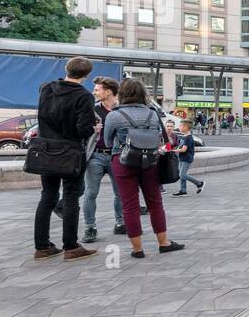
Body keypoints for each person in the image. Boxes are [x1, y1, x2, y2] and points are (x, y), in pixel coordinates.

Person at [104, 78, 184, 258]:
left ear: (122, 94)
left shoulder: (114, 115)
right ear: (143, 94)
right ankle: (164, 243)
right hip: (150, 161)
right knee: (155, 203)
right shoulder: (153, 114)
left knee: (129, 205)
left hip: (123, 161)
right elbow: (161, 138)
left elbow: (108, 141)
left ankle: (137, 249)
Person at [33, 57, 99, 261]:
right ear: (87, 75)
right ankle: (71, 246)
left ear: (66, 69)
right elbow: (83, 129)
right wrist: (94, 129)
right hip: (70, 152)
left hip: (45, 149)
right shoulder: (84, 96)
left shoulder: (46, 89)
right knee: (71, 197)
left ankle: (42, 246)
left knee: (48, 196)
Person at [80, 76, 125, 243]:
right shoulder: (92, 109)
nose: (94, 92)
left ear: (108, 92)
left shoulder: (122, 110)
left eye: (97, 90)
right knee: (91, 193)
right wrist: (91, 129)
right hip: (96, 156)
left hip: (116, 155)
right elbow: (81, 130)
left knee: (120, 193)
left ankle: (120, 223)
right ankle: (90, 228)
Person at [172, 121, 205, 195]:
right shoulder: (184, 137)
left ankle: (199, 183)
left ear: (185, 127)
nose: (179, 127)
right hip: (182, 158)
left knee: (182, 175)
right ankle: (183, 190)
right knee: (181, 174)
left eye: (180, 126)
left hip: (186, 159)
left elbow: (184, 149)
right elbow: (180, 146)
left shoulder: (188, 138)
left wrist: (173, 151)